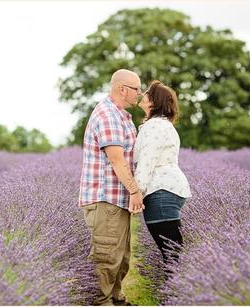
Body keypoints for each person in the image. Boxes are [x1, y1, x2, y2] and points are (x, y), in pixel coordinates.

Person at [79, 69, 144, 306]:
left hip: (117, 199)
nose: (140, 93)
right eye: (137, 88)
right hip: (105, 199)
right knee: (106, 258)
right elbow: (117, 159)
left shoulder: (121, 115)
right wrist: (135, 191)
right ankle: (101, 302)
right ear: (122, 89)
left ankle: (117, 299)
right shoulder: (108, 115)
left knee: (122, 257)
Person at [134, 80, 192, 271]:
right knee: (172, 254)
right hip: (168, 191)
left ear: (153, 101)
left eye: (148, 92)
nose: (143, 94)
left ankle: (177, 298)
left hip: (160, 192)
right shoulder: (161, 125)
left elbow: (146, 161)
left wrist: (137, 192)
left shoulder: (154, 126)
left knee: (172, 256)